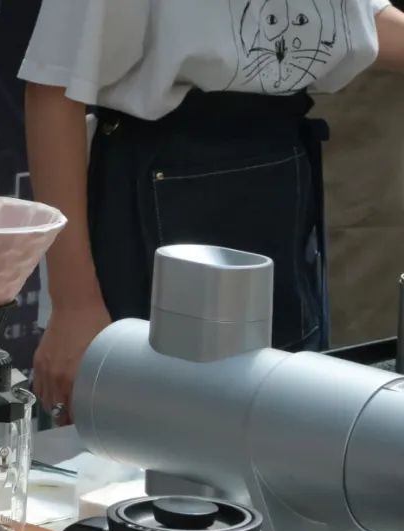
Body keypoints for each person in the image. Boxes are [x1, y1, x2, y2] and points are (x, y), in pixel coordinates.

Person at [21, 0, 404, 424]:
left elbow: (352, 17)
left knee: (286, 424)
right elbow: (53, 89)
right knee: (146, 432)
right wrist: (74, 307)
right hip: (158, 188)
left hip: (280, 183)